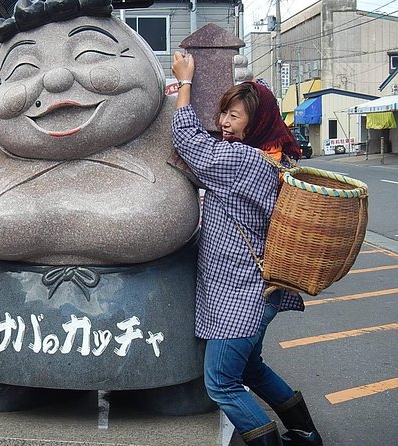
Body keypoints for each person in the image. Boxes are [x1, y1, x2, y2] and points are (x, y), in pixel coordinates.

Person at [170, 52, 323, 446]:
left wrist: (184, 80)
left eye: (235, 116)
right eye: (224, 113)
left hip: (241, 294)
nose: (223, 122)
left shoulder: (240, 161)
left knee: (221, 382)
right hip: (262, 288)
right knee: (252, 368)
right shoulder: (273, 159)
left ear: (256, 122)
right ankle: (305, 435)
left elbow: (187, 139)